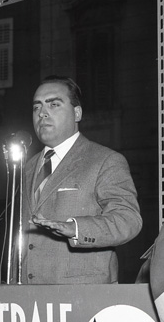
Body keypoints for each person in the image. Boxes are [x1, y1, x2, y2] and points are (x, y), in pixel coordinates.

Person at [13, 75, 142, 284]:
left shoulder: (105, 160)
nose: (42, 113)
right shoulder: (27, 167)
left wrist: (76, 229)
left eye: (54, 104)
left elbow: (128, 220)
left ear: (77, 113)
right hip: (28, 295)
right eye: (37, 107)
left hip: (81, 294)